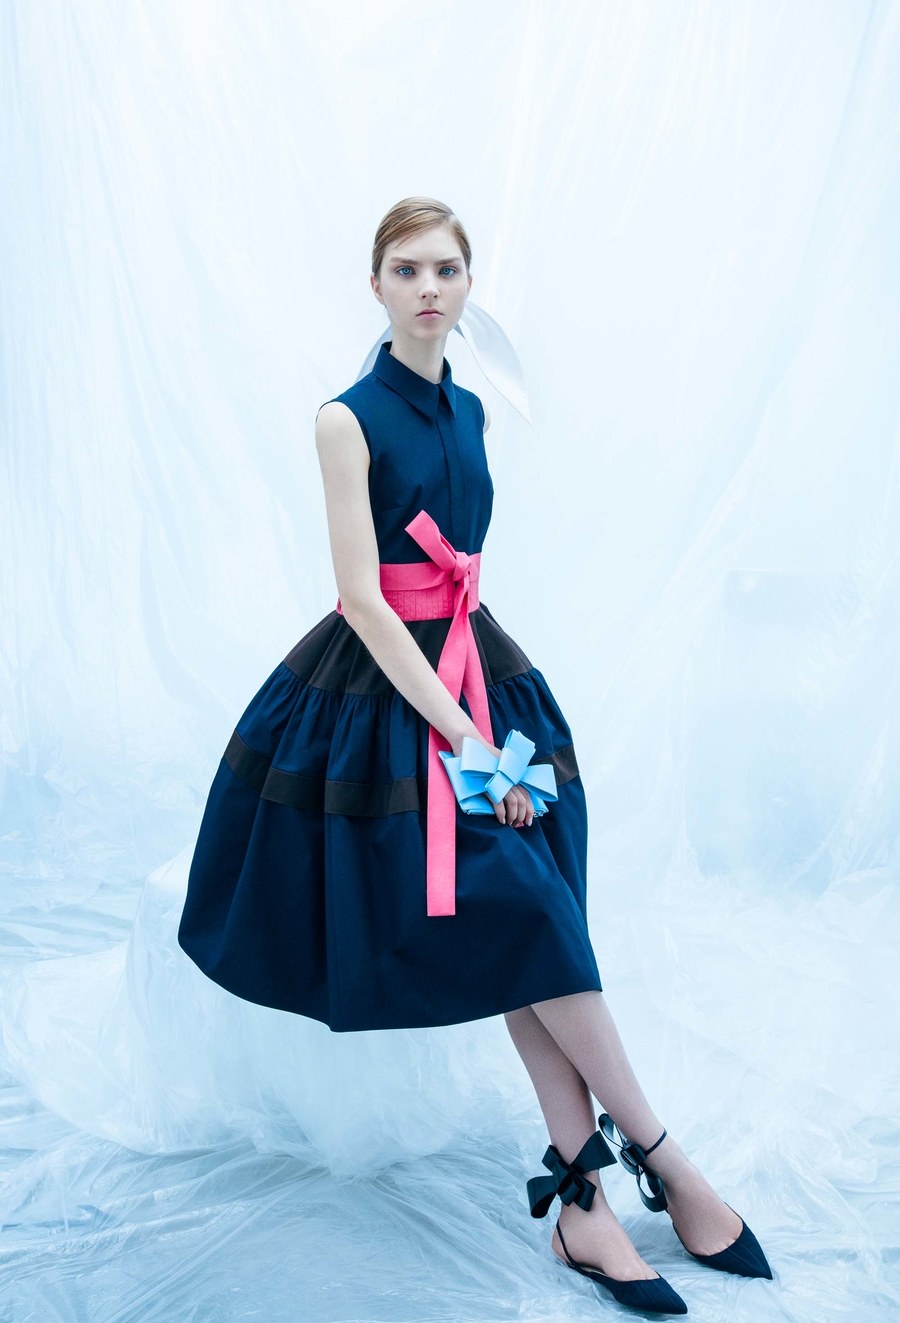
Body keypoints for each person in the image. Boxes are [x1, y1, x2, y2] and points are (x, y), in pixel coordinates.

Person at [176, 196, 772, 1315]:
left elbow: (465, 567)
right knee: (528, 917)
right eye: (407, 269)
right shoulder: (345, 418)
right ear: (376, 285)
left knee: (534, 921)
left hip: (478, 666)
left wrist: (485, 713)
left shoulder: (472, 411)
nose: (429, 288)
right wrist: (465, 737)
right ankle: (662, 1157)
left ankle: (586, 1204)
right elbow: (362, 597)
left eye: (447, 269)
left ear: (466, 283)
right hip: (394, 691)